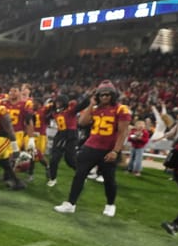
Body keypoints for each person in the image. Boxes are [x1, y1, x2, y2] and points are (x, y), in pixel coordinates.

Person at [54, 80, 131, 217]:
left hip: (108, 149)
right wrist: (91, 105)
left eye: (108, 94)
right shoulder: (95, 108)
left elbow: (123, 132)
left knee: (109, 179)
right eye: (102, 95)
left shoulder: (121, 109)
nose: (105, 97)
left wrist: (115, 151)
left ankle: (110, 204)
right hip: (90, 146)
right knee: (79, 174)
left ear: (113, 95)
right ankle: (71, 204)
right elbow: (82, 122)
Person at [46, 94, 89, 187]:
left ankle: (82, 174)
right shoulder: (54, 112)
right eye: (57, 102)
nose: (57, 104)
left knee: (70, 160)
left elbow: (83, 105)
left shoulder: (70, 110)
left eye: (60, 102)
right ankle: (53, 178)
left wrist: (89, 97)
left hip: (70, 135)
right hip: (60, 135)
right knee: (54, 158)